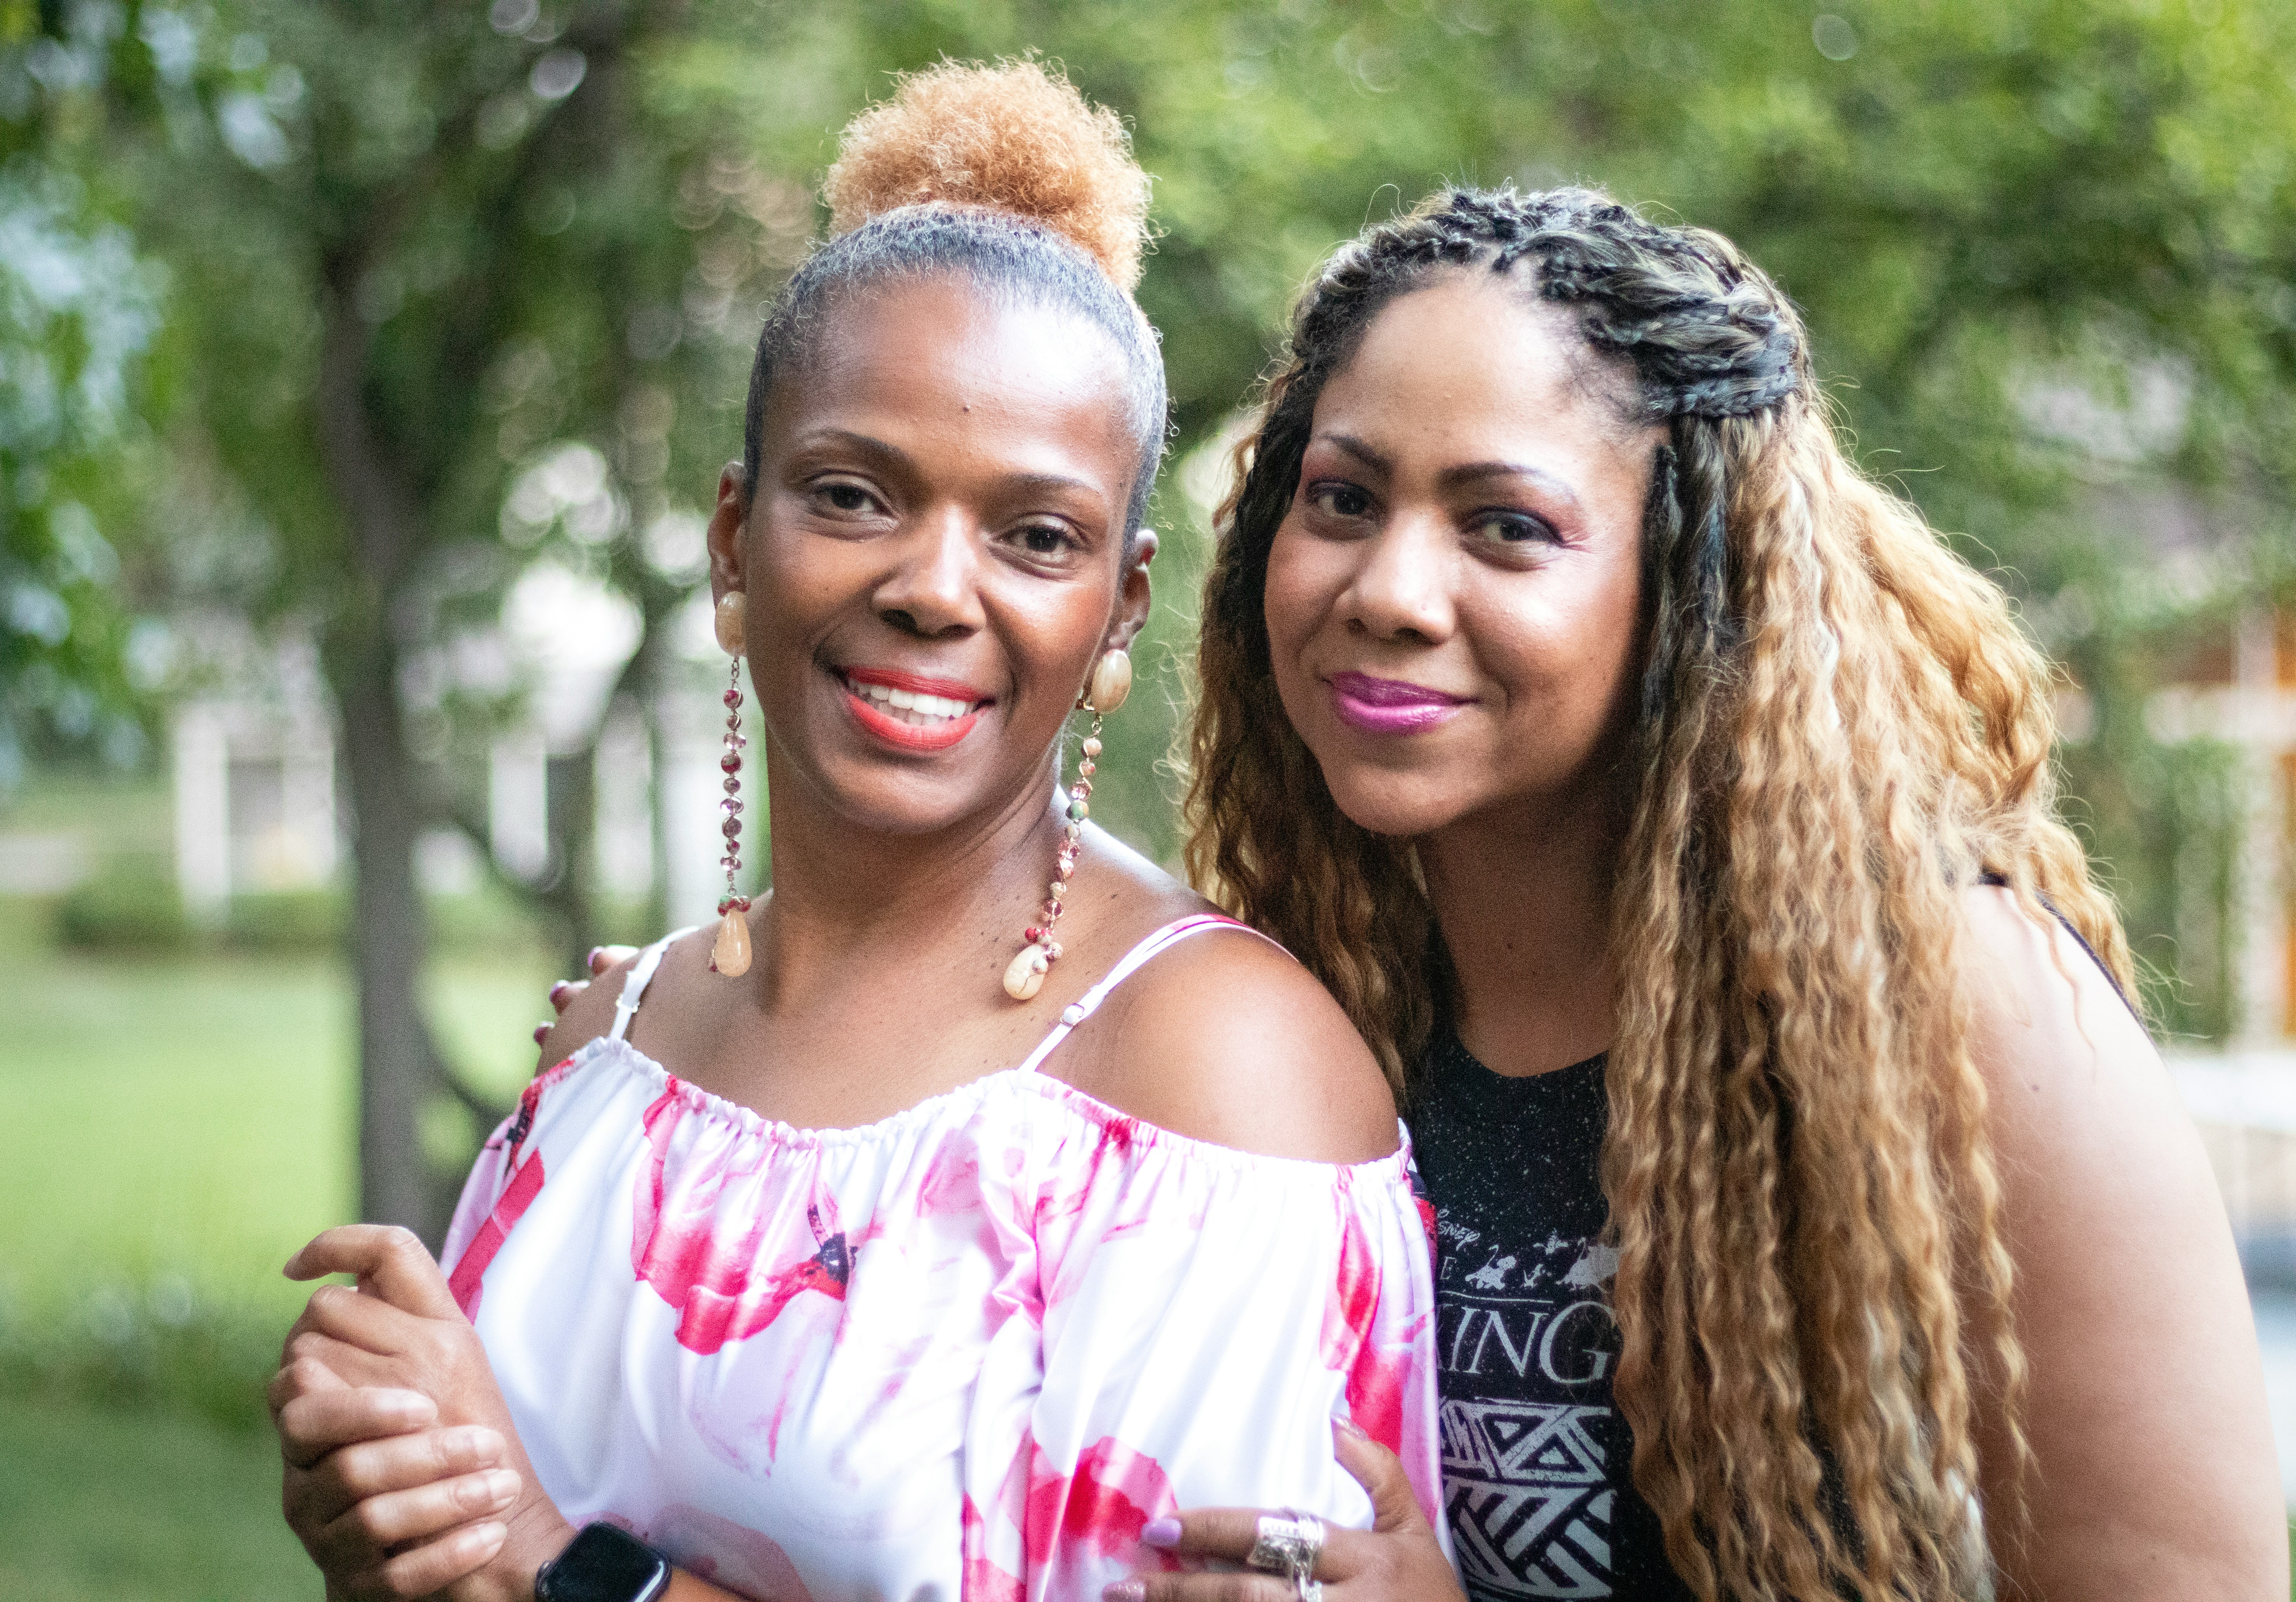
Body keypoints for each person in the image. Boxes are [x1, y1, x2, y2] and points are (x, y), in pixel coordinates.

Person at [266, 64, 1442, 1602]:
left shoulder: (1212, 1085)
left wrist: (549, 1572)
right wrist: (388, 1514)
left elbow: (526, 1555)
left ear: (1117, 611)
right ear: (731, 543)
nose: (936, 589)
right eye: (852, 495)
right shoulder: (607, 1053)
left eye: (1034, 535)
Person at [1132, 187, 2284, 1602]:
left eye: (1506, 526)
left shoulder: (1957, 1006)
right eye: (1344, 500)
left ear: (1693, 580)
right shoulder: (1286, 991)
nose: (1389, 588)